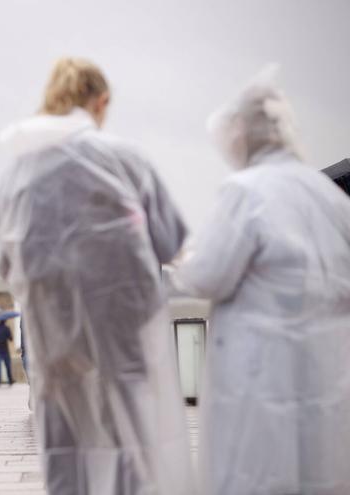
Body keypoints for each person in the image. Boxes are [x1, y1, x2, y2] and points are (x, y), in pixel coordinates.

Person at [0, 57, 193, 494]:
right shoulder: (125, 158)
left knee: (63, 443)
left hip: (53, 331)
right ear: (100, 101)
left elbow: (5, 266)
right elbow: (171, 240)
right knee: (129, 438)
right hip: (122, 328)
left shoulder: (17, 171)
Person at [169, 66, 350, 494]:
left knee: (256, 474)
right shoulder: (327, 195)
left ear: (242, 135)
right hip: (324, 368)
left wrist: (181, 255)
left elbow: (207, 277)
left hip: (258, 372)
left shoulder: (246, 193)